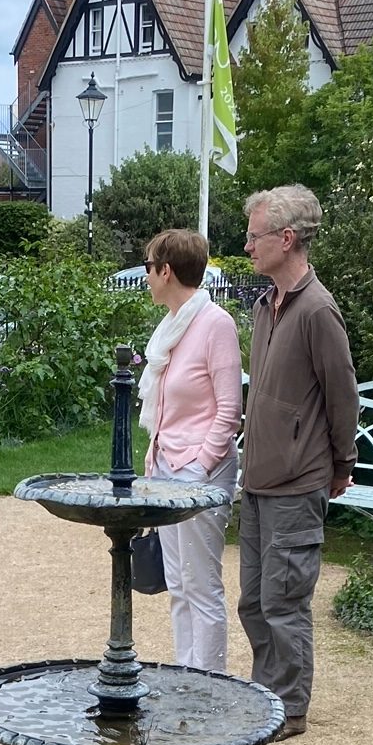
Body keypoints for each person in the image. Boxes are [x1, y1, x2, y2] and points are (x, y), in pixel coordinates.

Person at [238, 185, 358, 740]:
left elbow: (342, 395)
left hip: (297, 482)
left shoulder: (317, 310)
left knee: (283, 604)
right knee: (253, 603)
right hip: (259, 479)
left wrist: (342, 463)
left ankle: (288, 709)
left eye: (254, 236)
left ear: (286, 239)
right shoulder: (266, 307)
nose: (247, 246)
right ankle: (266, 698)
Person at [140, 228, 243, 673]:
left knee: (202, 586)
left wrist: (200, 468)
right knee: (178, 583)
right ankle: (185, 675)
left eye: (149, 267)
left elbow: (229, 410)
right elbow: (165, 405)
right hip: (167, 468)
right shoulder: (171, 327)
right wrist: (156, 458)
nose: (146, 276)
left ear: (166, 271)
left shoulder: (215, 324)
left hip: (200, 471)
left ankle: (210, 684)